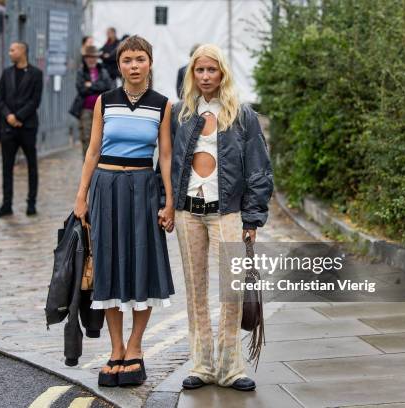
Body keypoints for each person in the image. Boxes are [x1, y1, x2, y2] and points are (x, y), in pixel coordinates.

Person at [73, 35, 175, 387]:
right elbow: (92, 150)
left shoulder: (163, 105)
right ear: (118, 65)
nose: (134, 66)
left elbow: (165, 156)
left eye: (140, 59)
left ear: (150, 62)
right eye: (127, 60)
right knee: (109, 267)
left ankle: (135, 347)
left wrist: (169, 200)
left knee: (142, 266)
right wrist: (81, 195)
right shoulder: (105, 101)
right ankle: (115, 349)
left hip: (144, 189)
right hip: (106, 187)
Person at [171, 44, 273, 391]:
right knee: (195, 291)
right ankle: (201, 365)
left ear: (222, 73)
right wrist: (167, 203)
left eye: (211, 70)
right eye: (199, 71)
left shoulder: (242, 115)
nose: (205, 77)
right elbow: (169, 163)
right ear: (192, 74)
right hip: (189, 213)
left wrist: (253, 218)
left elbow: (259, 168)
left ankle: (231, 368)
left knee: (230, 290)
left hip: (227, 213)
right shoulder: (181, 113)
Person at [0, 41, 44, 218]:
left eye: (12, 50)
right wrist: (9, 116)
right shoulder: (6, 73)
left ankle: (31, 203)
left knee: (32, 165)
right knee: (7, 166)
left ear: (22, 51)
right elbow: (0, 98)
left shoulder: (36, 74)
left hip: (27, 127)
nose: (10, 53)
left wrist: (19, 117)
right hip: (8, 127)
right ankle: (6, 204)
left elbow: (35, 101)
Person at [69, 45, 114, 156]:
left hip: (101, 111)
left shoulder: (103, 71)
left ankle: (99, 166)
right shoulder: (81, 72)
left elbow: (108, 86)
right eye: (89, 57)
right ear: (85, 58)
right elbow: (81, 89)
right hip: (86, 110)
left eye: (93, 57)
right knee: (86, 137)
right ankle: (87, 165)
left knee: (102, 137)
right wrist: (98, 86)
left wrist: (91, 85)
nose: (91, 59)